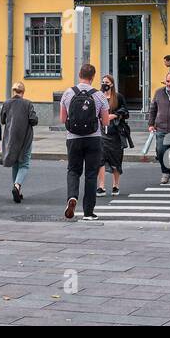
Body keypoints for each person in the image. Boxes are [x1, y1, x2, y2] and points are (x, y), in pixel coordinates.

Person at [61, 63, 110, 221]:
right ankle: (88, 212)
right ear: (93, 77)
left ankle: (72, 197)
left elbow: (63, 119)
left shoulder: (68, 93)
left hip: (73, 138)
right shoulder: (99, 95)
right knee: (90, 174)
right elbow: (106, 121)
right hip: (93, 138)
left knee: (73, 170)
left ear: (79, 74)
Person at [0, 82, 37, 203]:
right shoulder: (27, 103)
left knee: (15, 163)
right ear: (23, 92)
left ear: (13, 91)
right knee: (24, 163)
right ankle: (17, 186)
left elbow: (3, 120)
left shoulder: (7, 103)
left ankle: (17, 189)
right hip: (25, 137)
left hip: (11, 138)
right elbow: (33, 120)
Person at [97, 74, 131, 197]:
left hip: (115, 133)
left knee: (116, 159)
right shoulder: (98, 96)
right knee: (100, 159)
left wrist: (115, 115)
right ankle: (101, 186)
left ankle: (115, 185)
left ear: (111, 84)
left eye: (106, 82)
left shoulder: (118, 97)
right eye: (102, 82)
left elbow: (125, 111)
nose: (104, 84)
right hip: (101, 132)